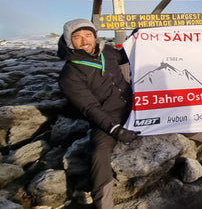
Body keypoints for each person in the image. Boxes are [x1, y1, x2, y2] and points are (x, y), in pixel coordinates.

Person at [57, 19, 140, 209]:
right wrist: (116, 130)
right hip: (107, 118)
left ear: (95, 37)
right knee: (98, 153)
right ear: (69, 41)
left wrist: (137, 37)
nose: (84, 41)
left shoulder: (107, 52)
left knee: (174, 114)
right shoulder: (69, 74)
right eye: (77, 37)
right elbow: (90, 108)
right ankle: (104, 203)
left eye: (88, 35)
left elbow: (123, 56)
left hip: (134, 105)